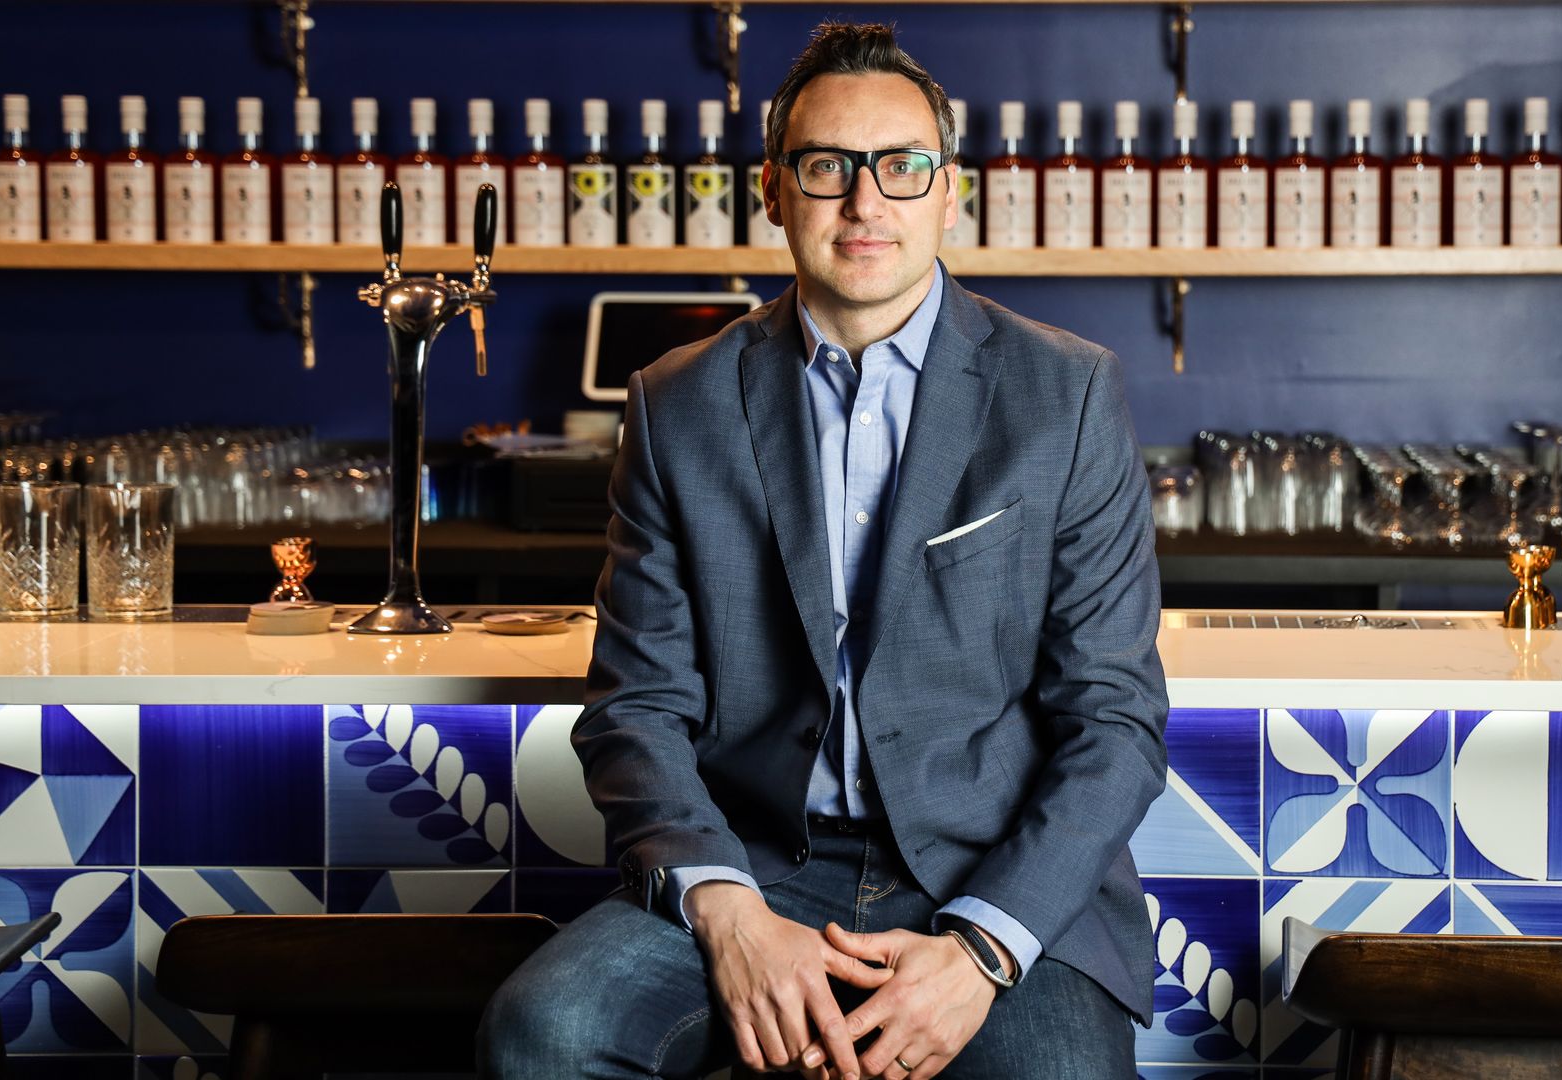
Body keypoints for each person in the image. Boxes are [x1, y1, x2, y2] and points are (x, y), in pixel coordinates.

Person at [480, 22, 1167, 1080]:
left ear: (949, 191)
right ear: (772, 189)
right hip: (754, 863)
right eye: (826, 167)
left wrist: (982, 947)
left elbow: (1114, 721)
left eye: (900, 166)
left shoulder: (1065, 395)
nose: (864, 201)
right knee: (545, 1033)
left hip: (988, 871)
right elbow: (636, 709)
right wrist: (727, 912)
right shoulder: (677, 403)